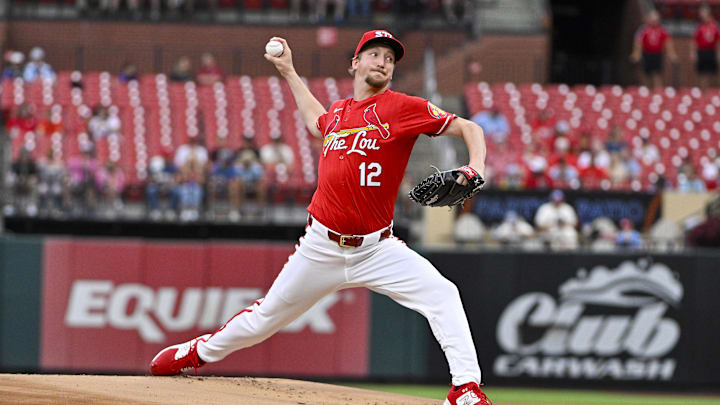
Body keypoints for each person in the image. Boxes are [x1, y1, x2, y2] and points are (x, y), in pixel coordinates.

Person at [150, 30, 492, 405]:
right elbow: (318, 121)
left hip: (377, 249)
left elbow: (469, 127)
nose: (382, 61)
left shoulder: (402, 107)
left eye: (389, 58)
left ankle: (465, 389)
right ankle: (198, 352)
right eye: (374, 54)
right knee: (264, 320)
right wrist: (289, 72)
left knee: (443, 293)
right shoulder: (340, 114)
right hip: (320, 247)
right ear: (355, 63)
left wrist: (475, 166)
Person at [630, 10, 678, 89]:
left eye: (656, 19)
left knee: (657, 75)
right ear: (648, 19)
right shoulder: (643, 30)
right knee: (646, 75)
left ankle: (657, 92)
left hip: (657, 54)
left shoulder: (662, 30)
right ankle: (646, 92)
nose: (654, 21)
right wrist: (636, 54)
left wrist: (672, 55)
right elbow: (638, 43)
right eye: (652, 19)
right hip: (647, 54)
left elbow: (668, 43)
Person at [690, 5, 720, 90]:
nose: (701, 14)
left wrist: (718, 53)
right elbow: (694, 41)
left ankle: (714, 92)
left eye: (703, 12)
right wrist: (693, 53)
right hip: (702, 51)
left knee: (713, 72)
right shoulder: (699, 26)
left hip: (712, 51)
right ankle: (704, 91)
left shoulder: (714, 26)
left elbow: (718, 41)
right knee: (702, 73)